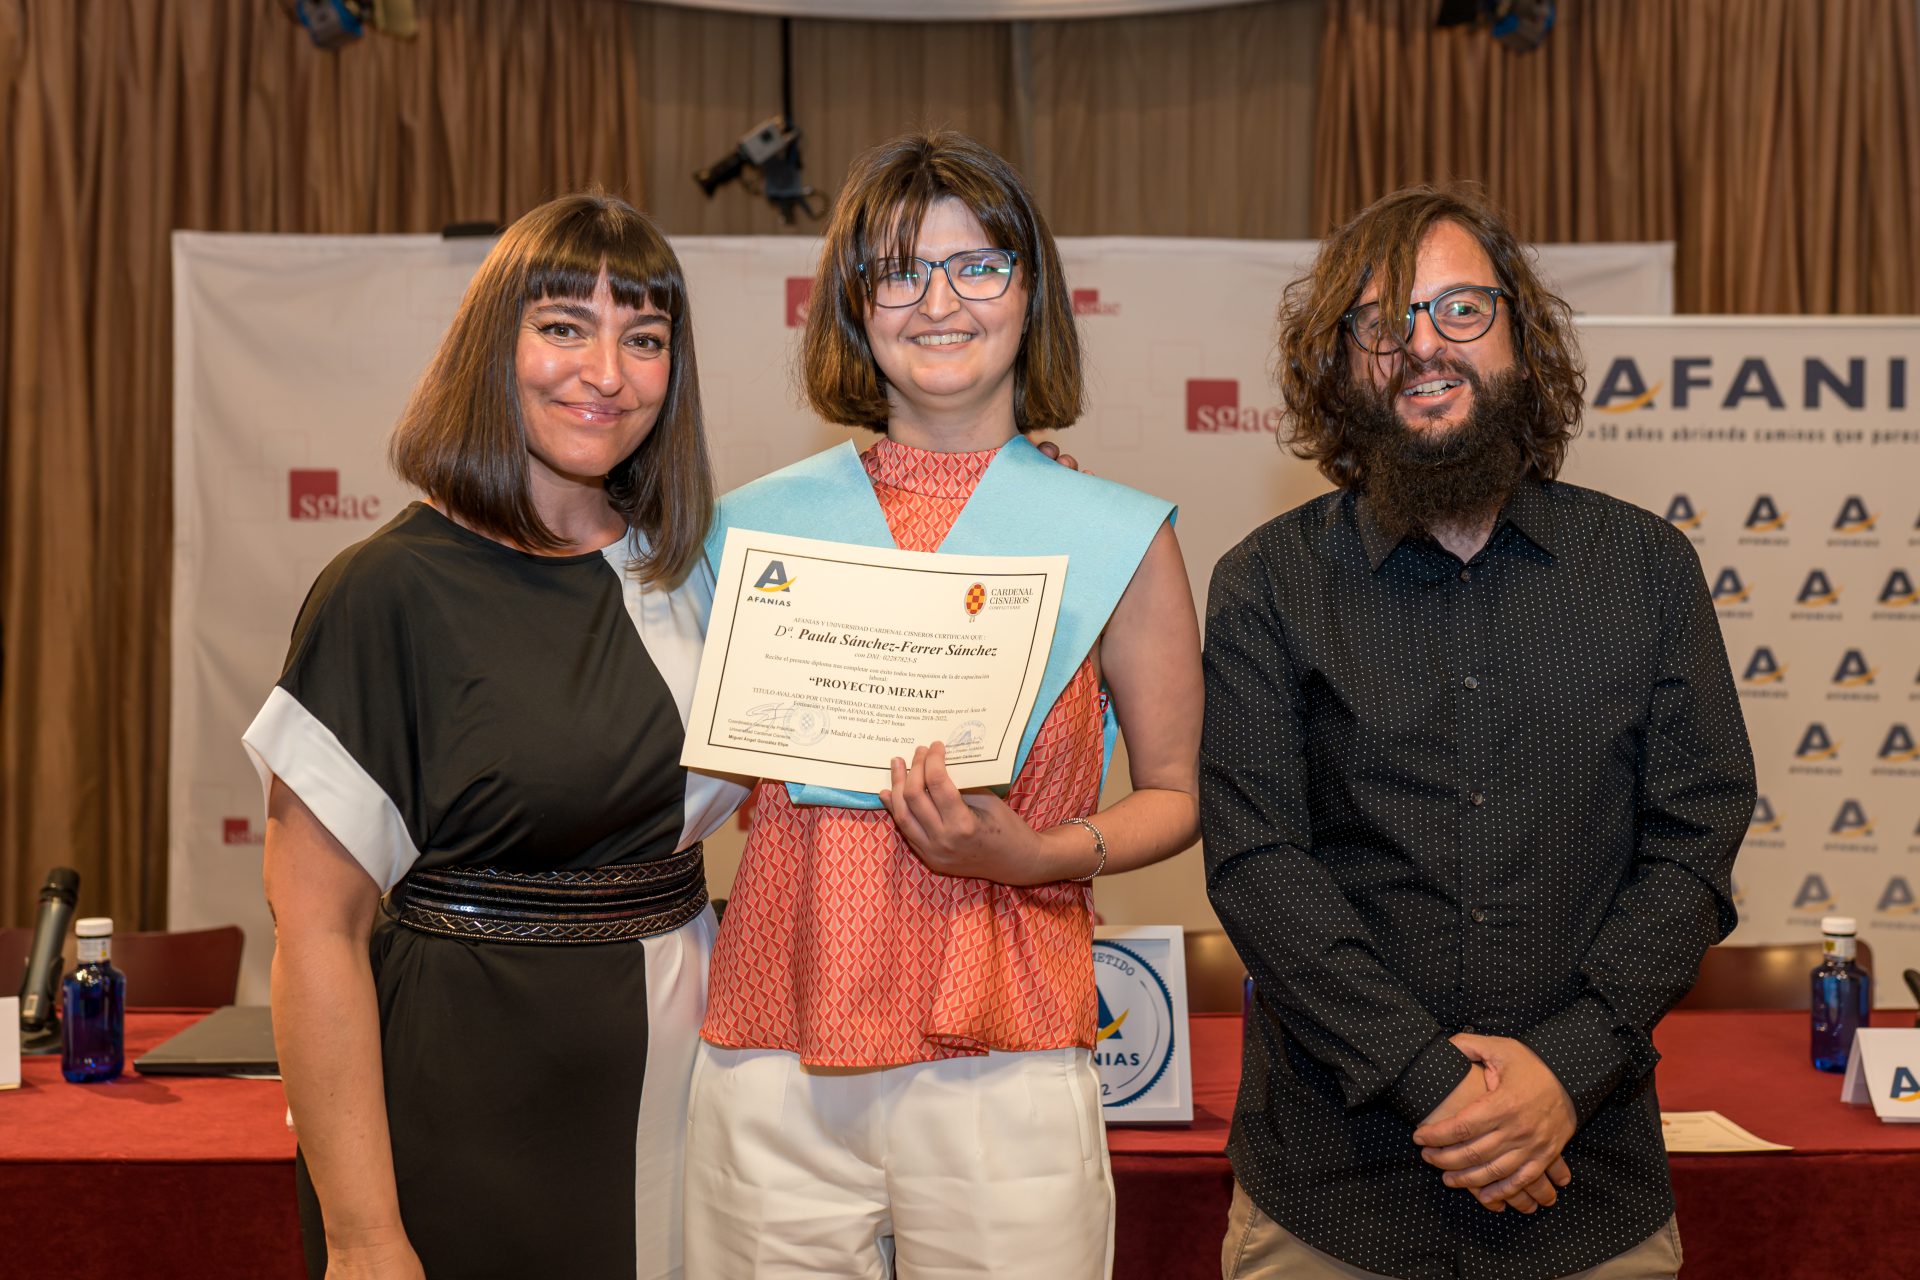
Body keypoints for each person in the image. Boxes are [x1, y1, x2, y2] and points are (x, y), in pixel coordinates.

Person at [1202, 184, 1756, 1280]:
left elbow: (1696, 842)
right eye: (1382, 320)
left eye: (1461, 309)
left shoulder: (1647, 571)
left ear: (1521, 337)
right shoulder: (1265, 582)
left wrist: (1569, 1067)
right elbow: (1261, 866)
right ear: (1341, 360)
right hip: (1332, 1198)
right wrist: (1433, 1081)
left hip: (1587, 1185)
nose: (1423, 346)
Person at [683, 131, 1205, 1279]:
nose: (939, 301)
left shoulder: (1117, 536)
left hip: (1006, 1054)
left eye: (980, 265)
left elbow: (1175, 794)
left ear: (1033, 293)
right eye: (900, 269)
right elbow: (691, 787)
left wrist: (1036, 851)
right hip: (774, 1044)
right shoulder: (750, 529)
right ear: (853, 306)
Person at [243, 192, 745, 1280]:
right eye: (564, 325)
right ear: (492, 345)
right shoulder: (385, 593)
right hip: (467, 1098)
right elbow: (315, 931)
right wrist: (367, 1236)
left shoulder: (695, 570)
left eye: (645, 337)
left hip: (693, 1078)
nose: (606, 371)